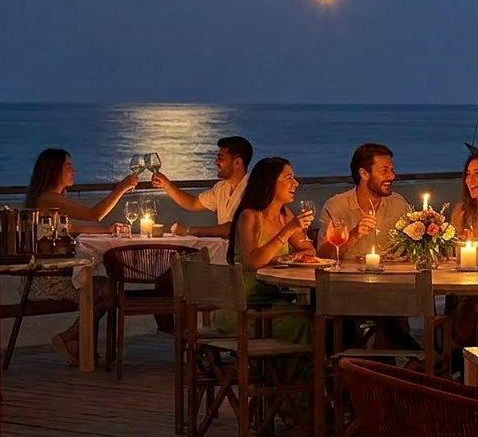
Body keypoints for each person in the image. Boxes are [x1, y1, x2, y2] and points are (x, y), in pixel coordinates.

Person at [24, 149, 140, 367]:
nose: (74, 171)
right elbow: (95, 215)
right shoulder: (48, 198)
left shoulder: (53, 199)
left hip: (56, 272)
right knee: (105, 291)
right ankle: (71, 338)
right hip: (47, 279)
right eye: (68, 167)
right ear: (53, 171)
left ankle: (77, 343)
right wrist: (121, 188)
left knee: (106, 287)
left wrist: (107, 231)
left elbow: (69, 228)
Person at [218, 157, 314, 344]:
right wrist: (288, 231)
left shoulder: (284, 214)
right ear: (269, 183)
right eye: (288, 178)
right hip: (243, 308)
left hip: (273, 303)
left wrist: (286, 257)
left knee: (318, 317)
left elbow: (309, 250)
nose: (296, 183)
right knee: (304, 323)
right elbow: (253, 262)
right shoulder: (249, 216)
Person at [317, 143, 410, 260]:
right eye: (384, 171)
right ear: (364, 174)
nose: (392, 176)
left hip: (391, 271)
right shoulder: (336, 206)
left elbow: (415, 245)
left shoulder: (398, 204)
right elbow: (323, 255)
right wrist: (353, 235)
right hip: (347, 272)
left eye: (392, 170)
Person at [152, 136, 253, 239]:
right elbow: (193, 203)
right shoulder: (221, 188)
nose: (215, 162)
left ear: (237, 162)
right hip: (224, 248)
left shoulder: (252, 189)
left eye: (221, 158)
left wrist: (189, 231)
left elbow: (233, 228)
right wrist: (166, 185)